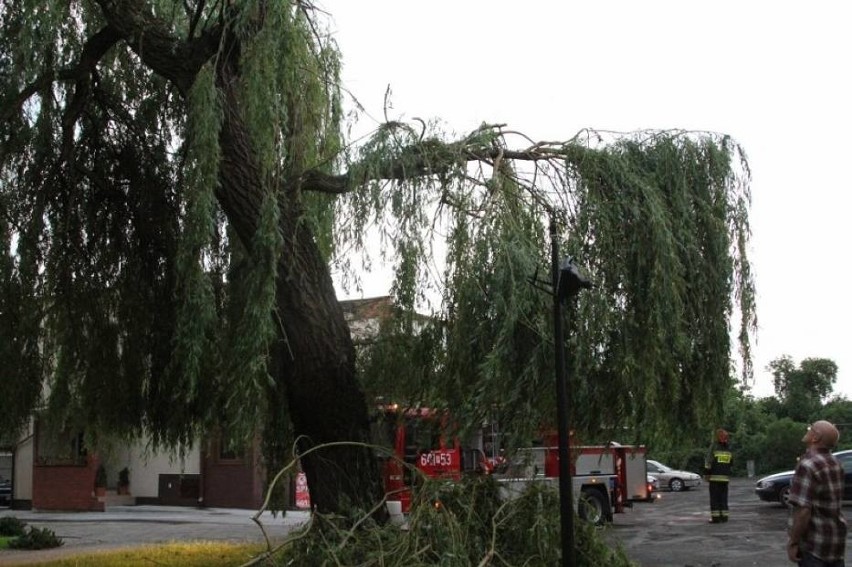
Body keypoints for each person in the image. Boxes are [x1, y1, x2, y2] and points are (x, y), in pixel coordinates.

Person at [787, 420, 846, 566]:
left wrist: (793, 542)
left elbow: (803, 511)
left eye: (810, 428)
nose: (807, 430)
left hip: (814, 546)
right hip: (836, 542)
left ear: (815, 438)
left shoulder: (808, 465)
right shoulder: (836, 462)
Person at [704, 428, 732, 523]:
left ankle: (715, 518)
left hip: (714, 478)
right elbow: (731, 463)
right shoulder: (728, 448)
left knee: (715, 499)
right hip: (725, 479)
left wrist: (707, 475)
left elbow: (708, 462)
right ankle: (724, 517)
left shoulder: (714, 447)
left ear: (718, 437)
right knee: (723, 498)